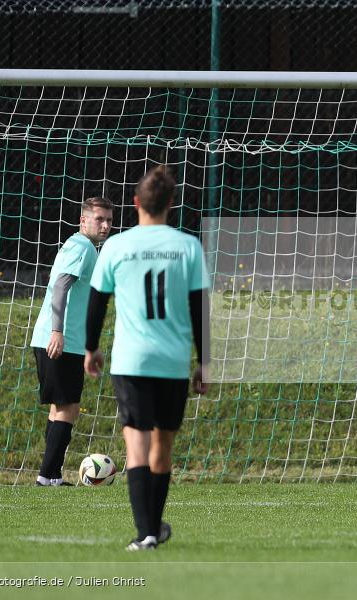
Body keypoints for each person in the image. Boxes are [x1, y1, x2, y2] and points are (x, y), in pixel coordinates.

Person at [84, 165, 209, 550]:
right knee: (163, 448)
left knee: (136, 447)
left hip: (131, 361)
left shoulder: (118, 246)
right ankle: (152, 529)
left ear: (136, 203)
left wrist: (90, 348)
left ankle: (147, 534)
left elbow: (97, 302)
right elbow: (199, 308)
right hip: (171, 362)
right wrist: (205, 362)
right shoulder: (188, 246)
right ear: (171, 204)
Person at [30, 197, 113, 486]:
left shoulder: (79, 245)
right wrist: (57, 331)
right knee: (68, 407)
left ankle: (51, 476)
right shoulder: (82, 246)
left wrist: (90, 342)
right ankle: (45, 476)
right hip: (59, 340)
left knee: (61, 407)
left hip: (66, 339)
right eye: (98, 219)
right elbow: (61, 286)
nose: (104, 225)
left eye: (108, 220)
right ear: (83, 220)